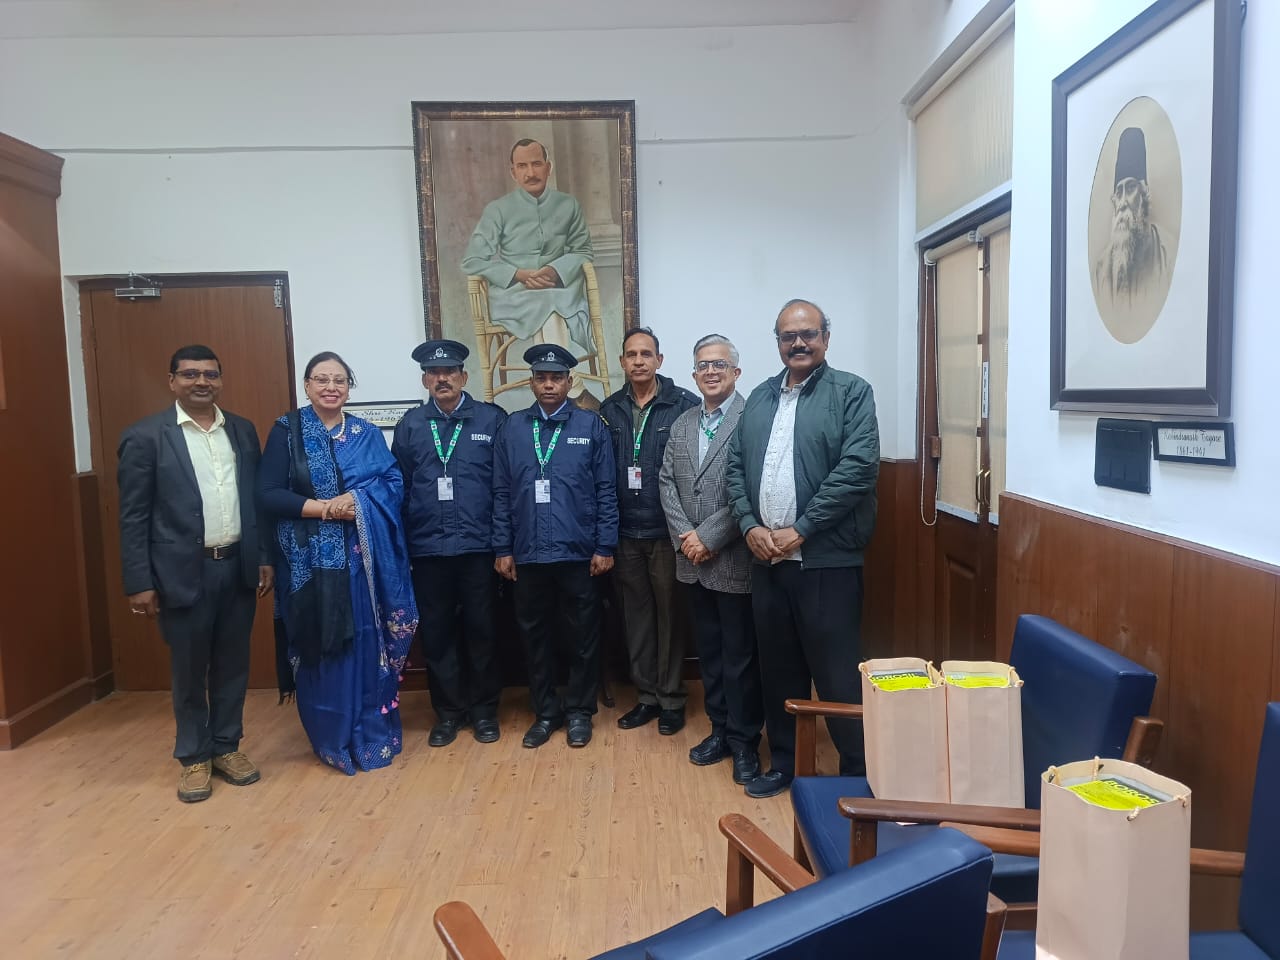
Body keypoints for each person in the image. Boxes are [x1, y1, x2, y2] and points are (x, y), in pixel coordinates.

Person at [726, 300, 880, 799]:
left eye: (808, 334)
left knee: (837, 675)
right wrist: (750, 526)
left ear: (825, 339)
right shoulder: (760, 399)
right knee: (779, 671)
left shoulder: (852, 392)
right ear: (777, 342)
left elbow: (858, 468)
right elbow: (734, 470)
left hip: (826, 561)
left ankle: (858, 771)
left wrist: (803, 528)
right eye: (788, 336)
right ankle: (788, 764)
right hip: (767, 561)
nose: (798, 343)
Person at [117, 344, 274, 803]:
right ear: (172, 382)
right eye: (190, 375)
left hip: (238, 567)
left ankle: (227, 747)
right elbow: (132, 517)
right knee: (189, 670)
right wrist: (139, 581)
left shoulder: (242, 432)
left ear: (221, 380)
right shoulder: (146, 437)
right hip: (180, 574)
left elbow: (255, 503)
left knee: (232, 665)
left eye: (209, 374)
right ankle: (194, 757)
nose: (201, 382)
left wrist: (262, 555)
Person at [258, 352, 418, 774]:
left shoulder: (365, 433)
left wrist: (359, 501)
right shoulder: (286, 432)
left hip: (362, 567)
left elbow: (391, 481)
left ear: (349, 387)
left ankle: (371, 728)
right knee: (323, 645)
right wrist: (325, 509)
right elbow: (268, 494)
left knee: (365, 641)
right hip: (309, 569)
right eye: (322, 379)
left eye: (340, 380)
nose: (331, 387)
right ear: (307, 385)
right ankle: (330, 736)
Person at [492, 344, 618, 749]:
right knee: (535, 638)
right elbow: (499, 493)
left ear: (569, 381)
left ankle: (580, 712)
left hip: (578, 553)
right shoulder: (511, 428)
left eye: (556, 378)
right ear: (532, 382)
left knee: (582, 636)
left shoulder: (590, 426)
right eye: (541, 378)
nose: (549, 384)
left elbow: (605, 491)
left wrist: (605, 545)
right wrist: (502, 548)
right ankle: (545, 712)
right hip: (527, 554)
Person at [659, 334, 764, 783]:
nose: (711, 372)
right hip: (692, 562)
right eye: (703, 365)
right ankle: (719, 730)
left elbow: (752, 488)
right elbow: (666, 481)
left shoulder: (753, 418)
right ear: (694, 374)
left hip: (733, 558)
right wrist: (687, 536)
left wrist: (708, 537)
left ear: (736, 372)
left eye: (720, 364)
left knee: (740, 656)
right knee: (711, 656)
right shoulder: (683, 422)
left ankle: (745, 742)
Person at [392, 339, 507, 747]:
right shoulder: (410, 425)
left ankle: (484, 711)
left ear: (463, 376)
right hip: (428, 550)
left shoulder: (492, 420)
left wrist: (502, 545)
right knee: (437, 635)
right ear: (425, 379)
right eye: (434, 373)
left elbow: (504, 487)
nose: (442, 378)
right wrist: (402, 548)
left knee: (482, 632)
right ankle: (449, 713)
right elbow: (400, 489)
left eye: (450, 371)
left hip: (478, 549)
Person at [600, 327, 698, 734]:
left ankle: (672, 698)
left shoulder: (684, 406)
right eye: (630, 354)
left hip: (667, 532)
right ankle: (646, 696)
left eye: (646, 354)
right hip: (625, 532)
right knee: (636, 618)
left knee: (670, 618)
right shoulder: (608, 410)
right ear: (622, 362)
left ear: (660, 359)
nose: (638, 361)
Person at [461, 139, 595, 359]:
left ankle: (556, 380)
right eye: (522, 166)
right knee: (552, 309)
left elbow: (583, 250)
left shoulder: (568, 204)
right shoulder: (498, 210)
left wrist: (555, 270)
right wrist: (517, 274)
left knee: (553, 305)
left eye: (536, 164)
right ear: (513, 172)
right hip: (514, 296)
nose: (530, 172)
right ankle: (569, 383)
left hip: (558, 288)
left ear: (548, 168)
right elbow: (472, 260)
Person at [1093, 126, 1168, 303]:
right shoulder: (1101, 269)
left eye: (1131, 188)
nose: (1124, 202)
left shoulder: (1165, 258)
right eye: (1119, 192)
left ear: (1144, 194)